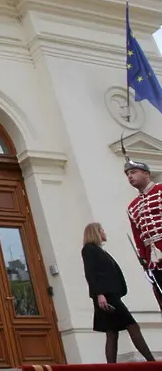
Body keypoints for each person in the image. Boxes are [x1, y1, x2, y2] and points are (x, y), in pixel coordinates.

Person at [81, 222, 155, 363]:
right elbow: (90, 274)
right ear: (96, 232)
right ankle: (151, 362)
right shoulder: (89, 249)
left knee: (112, 333)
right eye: (102, 230)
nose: (104, 232)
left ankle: (111, 366)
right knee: (132, 326)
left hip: (110, 295)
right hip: (106, 297)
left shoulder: (99, 250)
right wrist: (99, 295)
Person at [123, 144, 162, 311]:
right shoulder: (133, 206)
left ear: (146, 173)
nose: (130, 176)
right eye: (127, 174)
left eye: (133, 172)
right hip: (153, 260)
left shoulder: (160, 190)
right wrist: (145, 263)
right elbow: (138, 237)